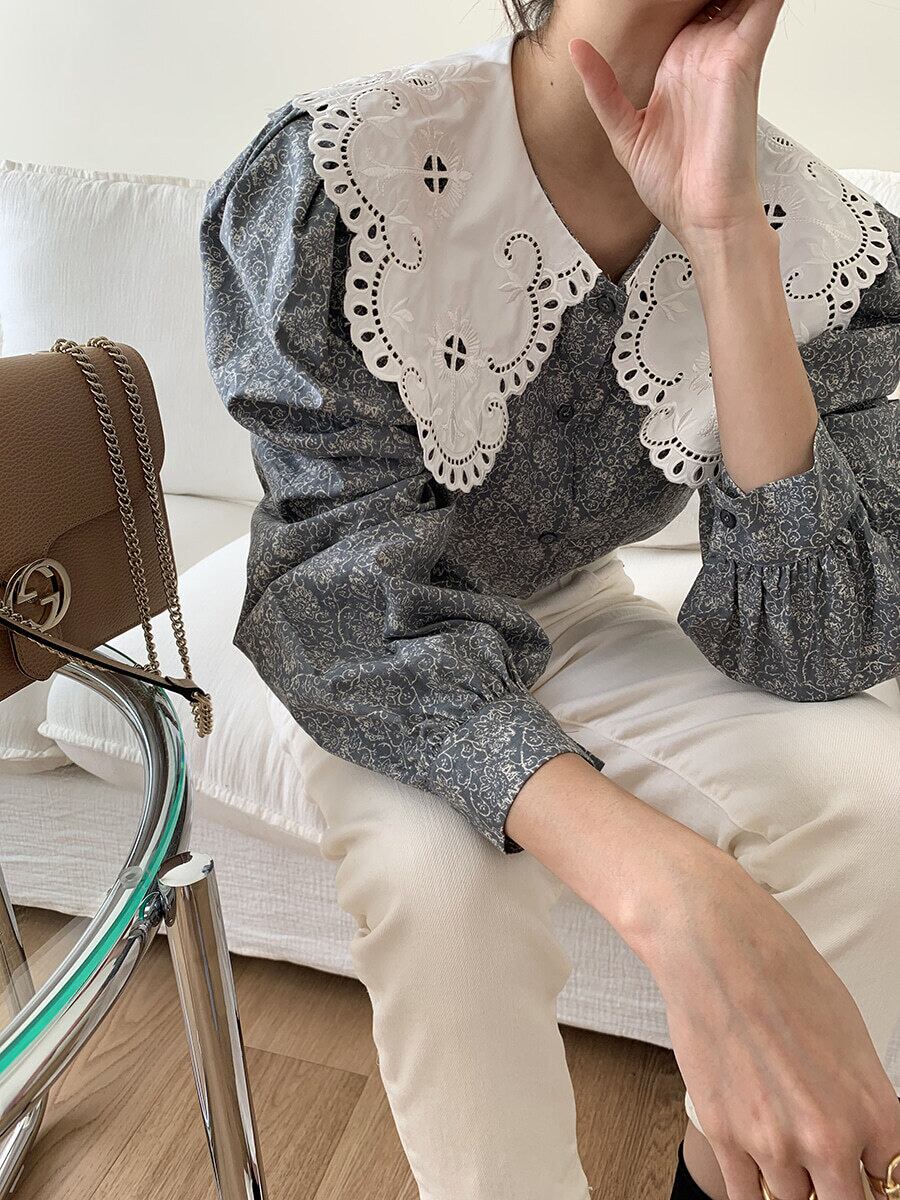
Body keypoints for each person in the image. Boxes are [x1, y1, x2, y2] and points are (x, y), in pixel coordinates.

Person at [199, 0, 900, 1196]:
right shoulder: (347, 174)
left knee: (871, 797)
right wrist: (673, 890)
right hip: (356, 629)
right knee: (441, 883)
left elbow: (811, 644)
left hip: (565, 601)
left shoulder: (814, 234)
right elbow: (336, 589)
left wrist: (725, 234)